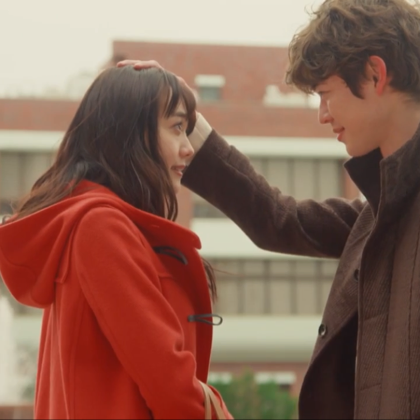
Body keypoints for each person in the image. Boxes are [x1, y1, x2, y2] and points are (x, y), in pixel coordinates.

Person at [118, 0, 420, 418]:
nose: (322, 116)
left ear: (374, 74)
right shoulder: (378, 211)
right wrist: (184, 115)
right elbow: (280, 219)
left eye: (325, 95)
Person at [0, 66, 232, 420]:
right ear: (131, 134)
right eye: (177, 128)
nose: (188, 148)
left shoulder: (92, 222)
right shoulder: (102, 227)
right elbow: (170, 384)